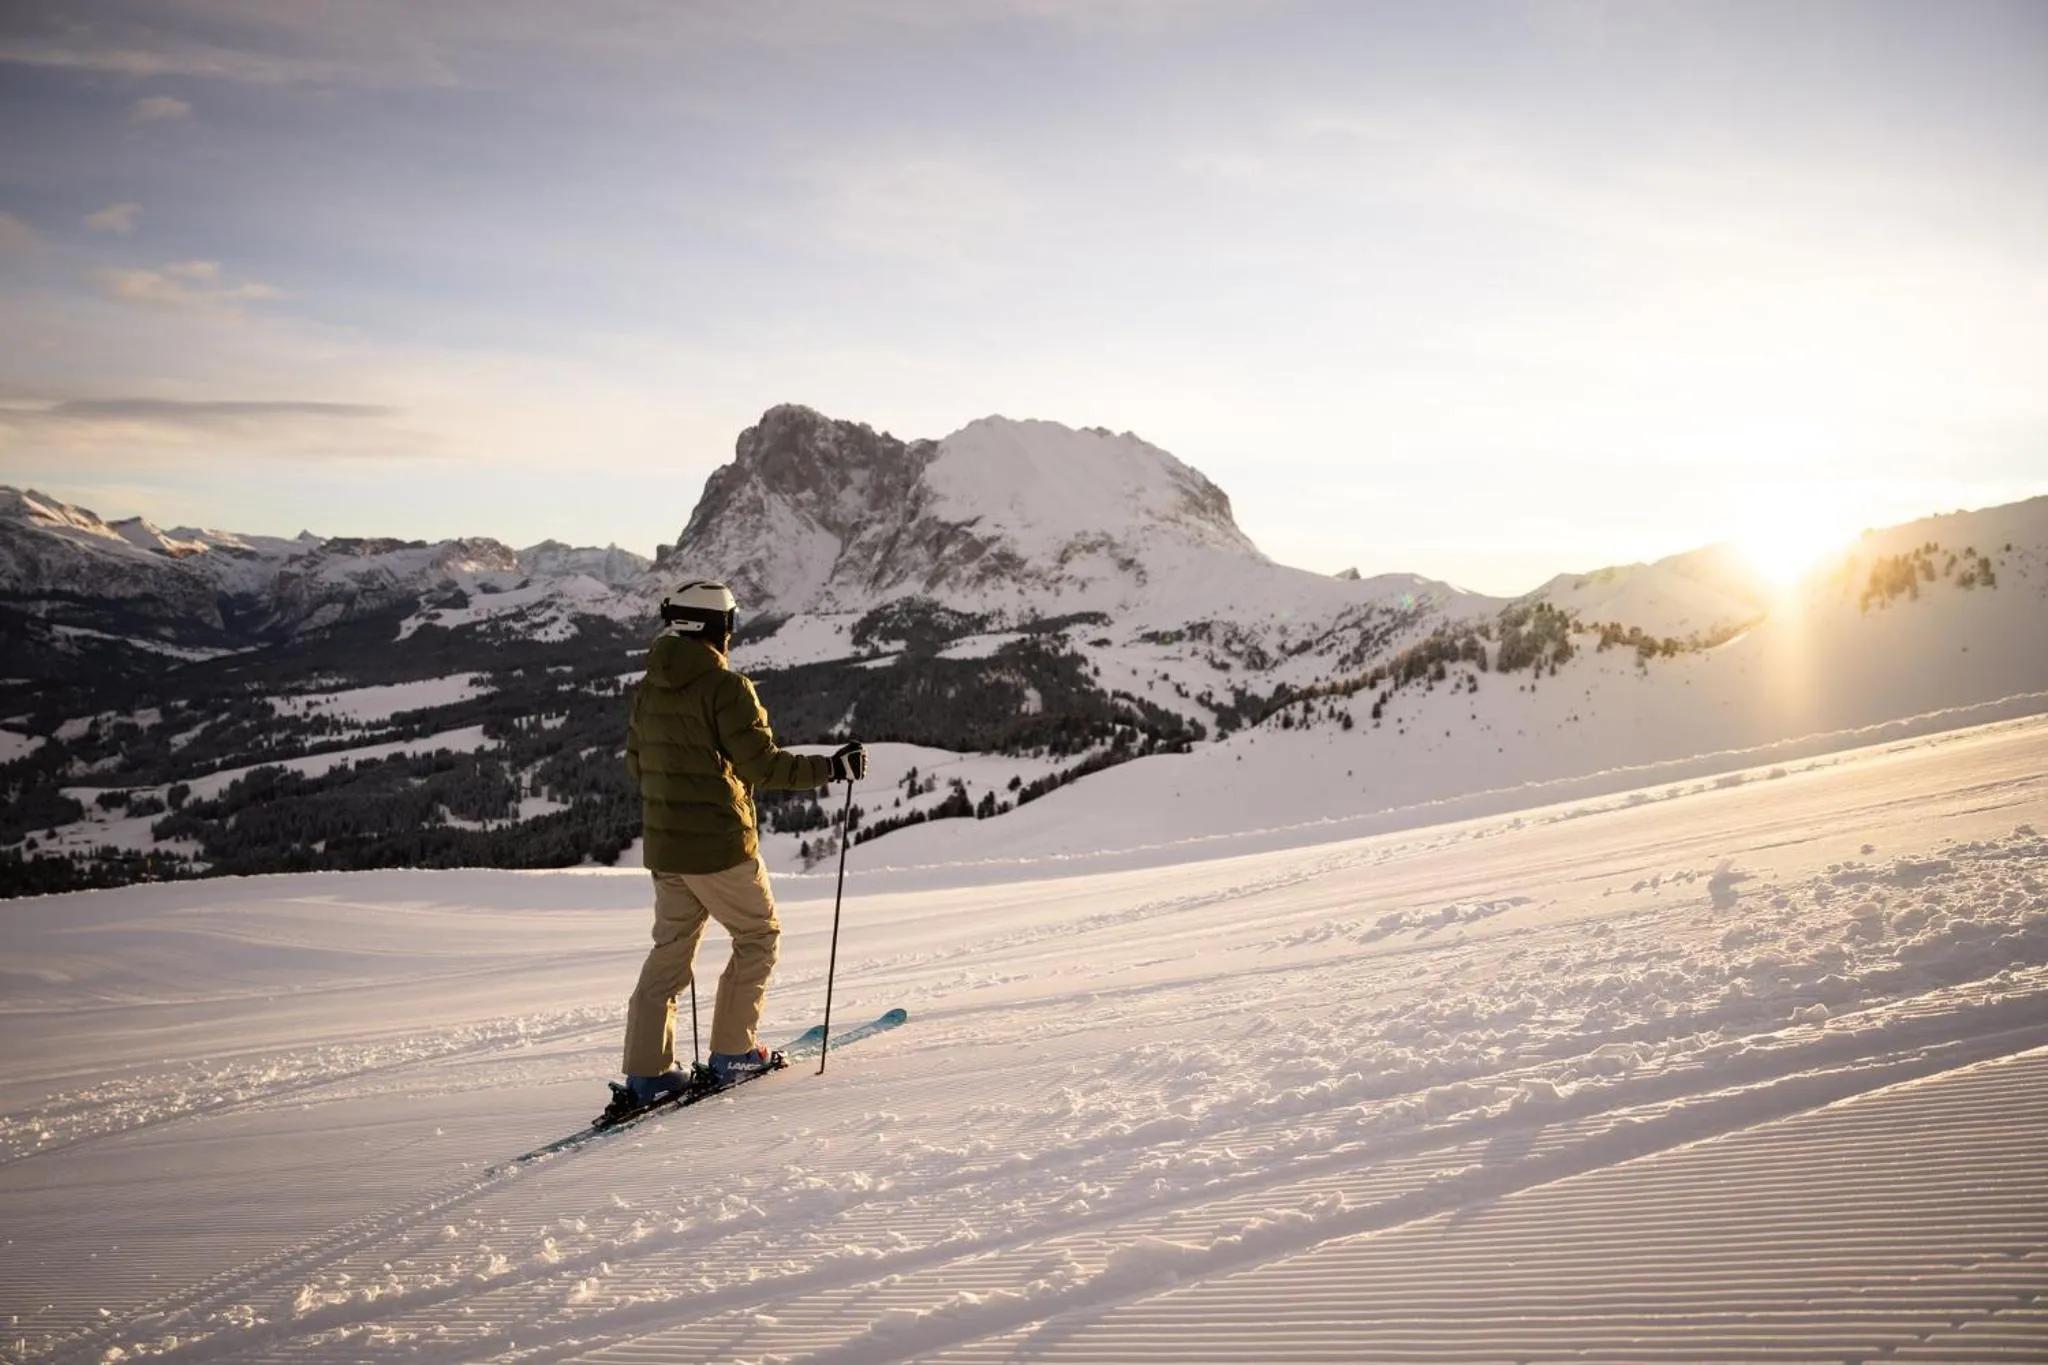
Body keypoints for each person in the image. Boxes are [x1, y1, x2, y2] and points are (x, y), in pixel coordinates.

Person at [619, 579, 866, 1103]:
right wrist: (833, 767)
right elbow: (764, 766)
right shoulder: (726, 688)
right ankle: (732, 1054)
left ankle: (648, 1074)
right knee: (758, 937)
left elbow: (638, 763)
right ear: (719, 626)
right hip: (720, 849)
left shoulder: (649, 686)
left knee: (670, 952)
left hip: (667, 851)